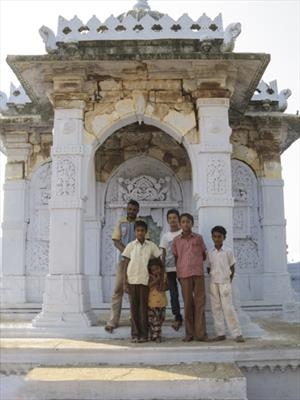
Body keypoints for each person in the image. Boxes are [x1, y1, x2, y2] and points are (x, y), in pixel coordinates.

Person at [104, 199, 140, 333]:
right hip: (122, 261)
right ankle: (113, 321)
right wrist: (126, 252)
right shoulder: (121, 222)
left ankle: (134, 319)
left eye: (134, 209)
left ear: (138, 211)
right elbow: (116, 240)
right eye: (130, 209)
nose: (131, 211)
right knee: (118, 290)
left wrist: (134, 254)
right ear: (127, 209)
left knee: (134, 290)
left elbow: (145, 239)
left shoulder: (140, 223)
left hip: (137, 262)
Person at [122, 220, 161, 343]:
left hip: (145, 282)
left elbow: (158, 260)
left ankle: (144, 334)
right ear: (135, 232)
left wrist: (156, 277)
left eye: (142, 230)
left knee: (143, 309)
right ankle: (135, 334)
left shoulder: (151, 246)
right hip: (132, 280)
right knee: (134, 309)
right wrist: (124, 281)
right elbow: (126, 263)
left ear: (146, 232)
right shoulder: (130, 246)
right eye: (138, 230)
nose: (140, 232)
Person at [172, 213, 208, 342]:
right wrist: (180, 270)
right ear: (180, 224)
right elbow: (176, 257)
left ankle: (201, 334)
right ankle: (189, 333)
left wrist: (195, 263)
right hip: (184, 274)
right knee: (188, 304)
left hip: (197, 273)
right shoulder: (176, 240)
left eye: (188, 221)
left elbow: (203, 254)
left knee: (200, 303)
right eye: (183, 222)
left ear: (192, 223)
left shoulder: (198, 238)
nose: (186, 224)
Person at [206, 225, 245, 343]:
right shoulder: (210, 252)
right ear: (212, 237)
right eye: (215, 236)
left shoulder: (228, 251)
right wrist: (213, 276)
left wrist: (229, 279)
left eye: (219, 236)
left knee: (228, 308)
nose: (217, 239)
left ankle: (237, 333)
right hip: (214, 283)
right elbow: (208, 267)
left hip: (225, 284)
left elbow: (232, 267)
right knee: (215, 309)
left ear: (224, 237)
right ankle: (220, 333)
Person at [159, 209, 183, 331]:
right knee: (174, 294)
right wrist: (163, 271)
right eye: (170, 218)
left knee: (186, 293)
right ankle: (177, 317)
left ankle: (190, 316)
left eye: (174, 217)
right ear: (167, 220)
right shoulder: (165, 236)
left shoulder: (183, 233)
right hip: (169, 269)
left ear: (178, 219)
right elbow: (162, 254)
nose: (172, 220)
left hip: (183, 268)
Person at [148, 258, 168, 343]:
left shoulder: (164, 275)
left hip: (162, 302)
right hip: (152, 303)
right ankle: (156, 336)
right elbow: (148, 286)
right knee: (155, 321)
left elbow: (166, 286)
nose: (156, 271)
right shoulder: (150, 277)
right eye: (153, 270)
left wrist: (164, 286)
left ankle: (154, 335)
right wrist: (156, 280)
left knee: (161, 320)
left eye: (157, 269)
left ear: (161, 267)